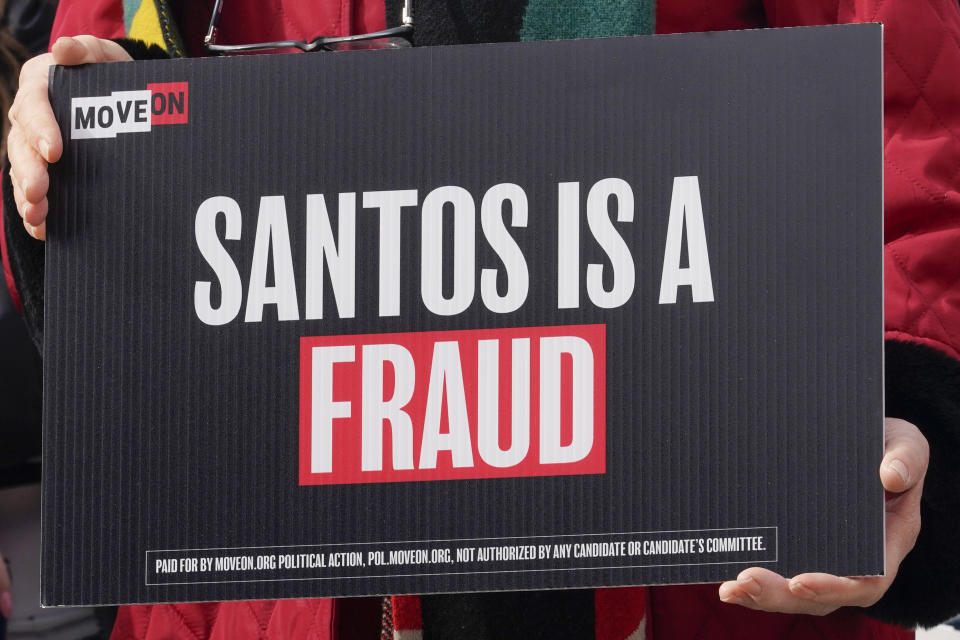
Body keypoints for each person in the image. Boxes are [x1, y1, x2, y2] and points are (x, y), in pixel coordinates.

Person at [4, 0, 960, 638]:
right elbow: (108, 55)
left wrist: (918, 408)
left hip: (694, 559)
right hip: (261, 581)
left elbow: (913, 112)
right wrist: (88, 158)